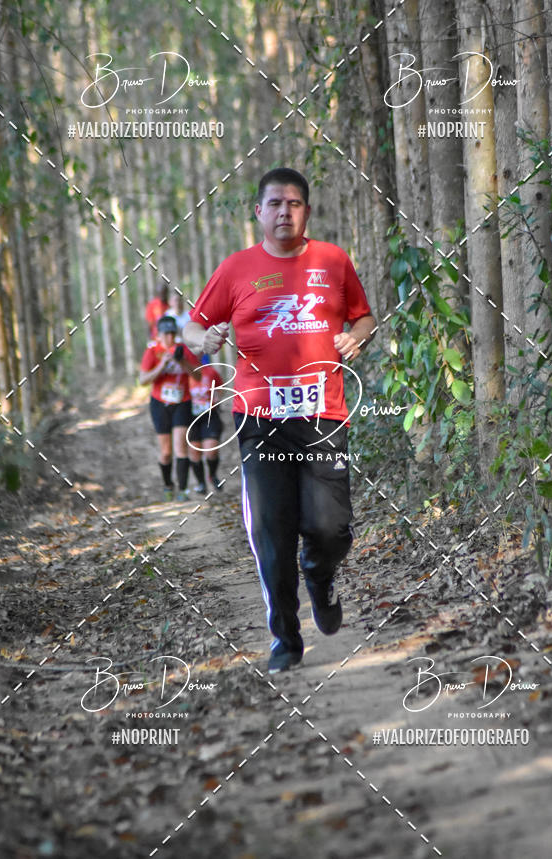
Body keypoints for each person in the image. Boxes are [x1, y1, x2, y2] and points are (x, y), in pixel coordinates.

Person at [183, 168, 376, 673]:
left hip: (323, 415)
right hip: (259, 418)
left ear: (306, 211)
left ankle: (320, 573)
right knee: (273, 529)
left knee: (330, 527)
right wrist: (204, 340)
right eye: (274, 203)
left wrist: (357, 337)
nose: (284, 212)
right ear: (259, 212)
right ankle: (286, 639)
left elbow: (364, 316)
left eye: (293, 203)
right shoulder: (236, 269)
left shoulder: (332, 261)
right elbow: (192, 327)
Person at [139, 315, 201, 502]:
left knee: (181, 448)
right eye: (166, 334)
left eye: (172, 334)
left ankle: (183, 490)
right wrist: (162, 365)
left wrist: (183, 362)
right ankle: (168, 485)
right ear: (159, 335)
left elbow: (198, 376)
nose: (169, 338)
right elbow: (143, 380)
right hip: (159, 403)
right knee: (166, 452)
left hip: (182, 402)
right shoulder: (153, 351)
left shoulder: (183, 350)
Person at [187, 358, 225, 493]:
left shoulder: (211, 372)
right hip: (191, 417)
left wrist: (217, 397)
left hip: (210, 414)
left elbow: (220, 388)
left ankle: (212, 475)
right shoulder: (184, 372)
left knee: (211, 450)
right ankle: (201, 483)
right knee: (195, 451)